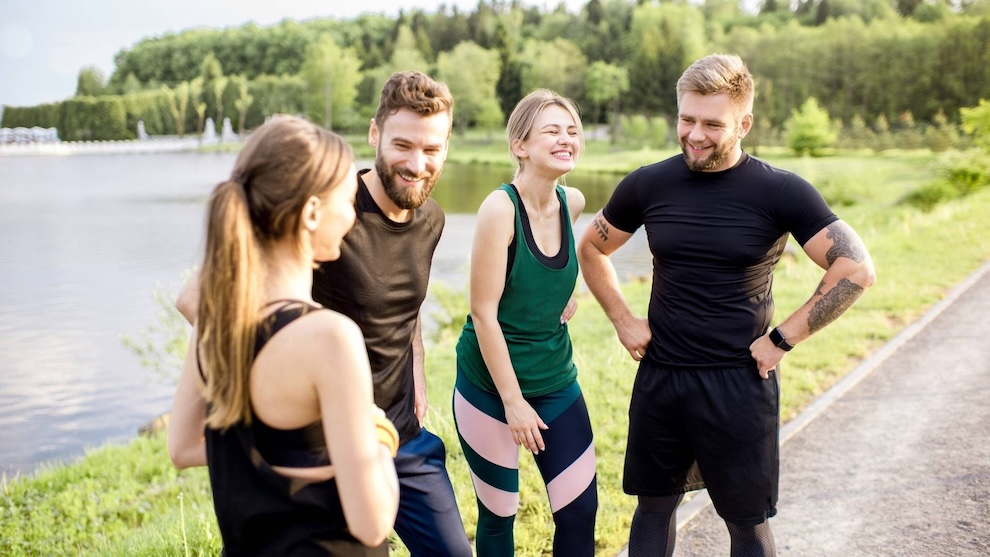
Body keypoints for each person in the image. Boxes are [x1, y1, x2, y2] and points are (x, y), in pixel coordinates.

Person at [577, 54, 877, 556]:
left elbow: (856, 268)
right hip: (663, 378)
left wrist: (784, 337)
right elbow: (591, 246)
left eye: (712, 124)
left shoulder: (779, 190)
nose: (695, 134)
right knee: (652, 508)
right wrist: (623, 319)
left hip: (739, 385)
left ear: (744, 124)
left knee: (746, 522)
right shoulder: (648, 183)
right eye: (686, 119)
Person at [177, 71, 471, 556]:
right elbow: (198, 297)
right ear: (374, 135)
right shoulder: (323, 209)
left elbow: (403, 300)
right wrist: (277, 388)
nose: (417, 164)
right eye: (403, 145)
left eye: (432, 149)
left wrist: (415, 357)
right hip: (317, 441)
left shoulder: (432, 219)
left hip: (401, 436)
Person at [167, 115, 401, 555]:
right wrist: (378, 434)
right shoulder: (329, 337)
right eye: (349, 202)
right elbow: (372, 523)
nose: (353, 218)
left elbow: (182, 446)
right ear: (312, 212)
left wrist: (310, 460)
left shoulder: (216, 323)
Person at [453, 89, 597, 556]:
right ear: (520, 144)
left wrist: (567, 288)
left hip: (555, 379)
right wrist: (512, 404)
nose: (566, 140)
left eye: (572, 131)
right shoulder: (500, 209)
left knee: (579, 511)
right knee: (499, 515)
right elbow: (483, 313)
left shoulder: (572, 201)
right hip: (489, 386)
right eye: (552, 131)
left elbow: (559, 262)